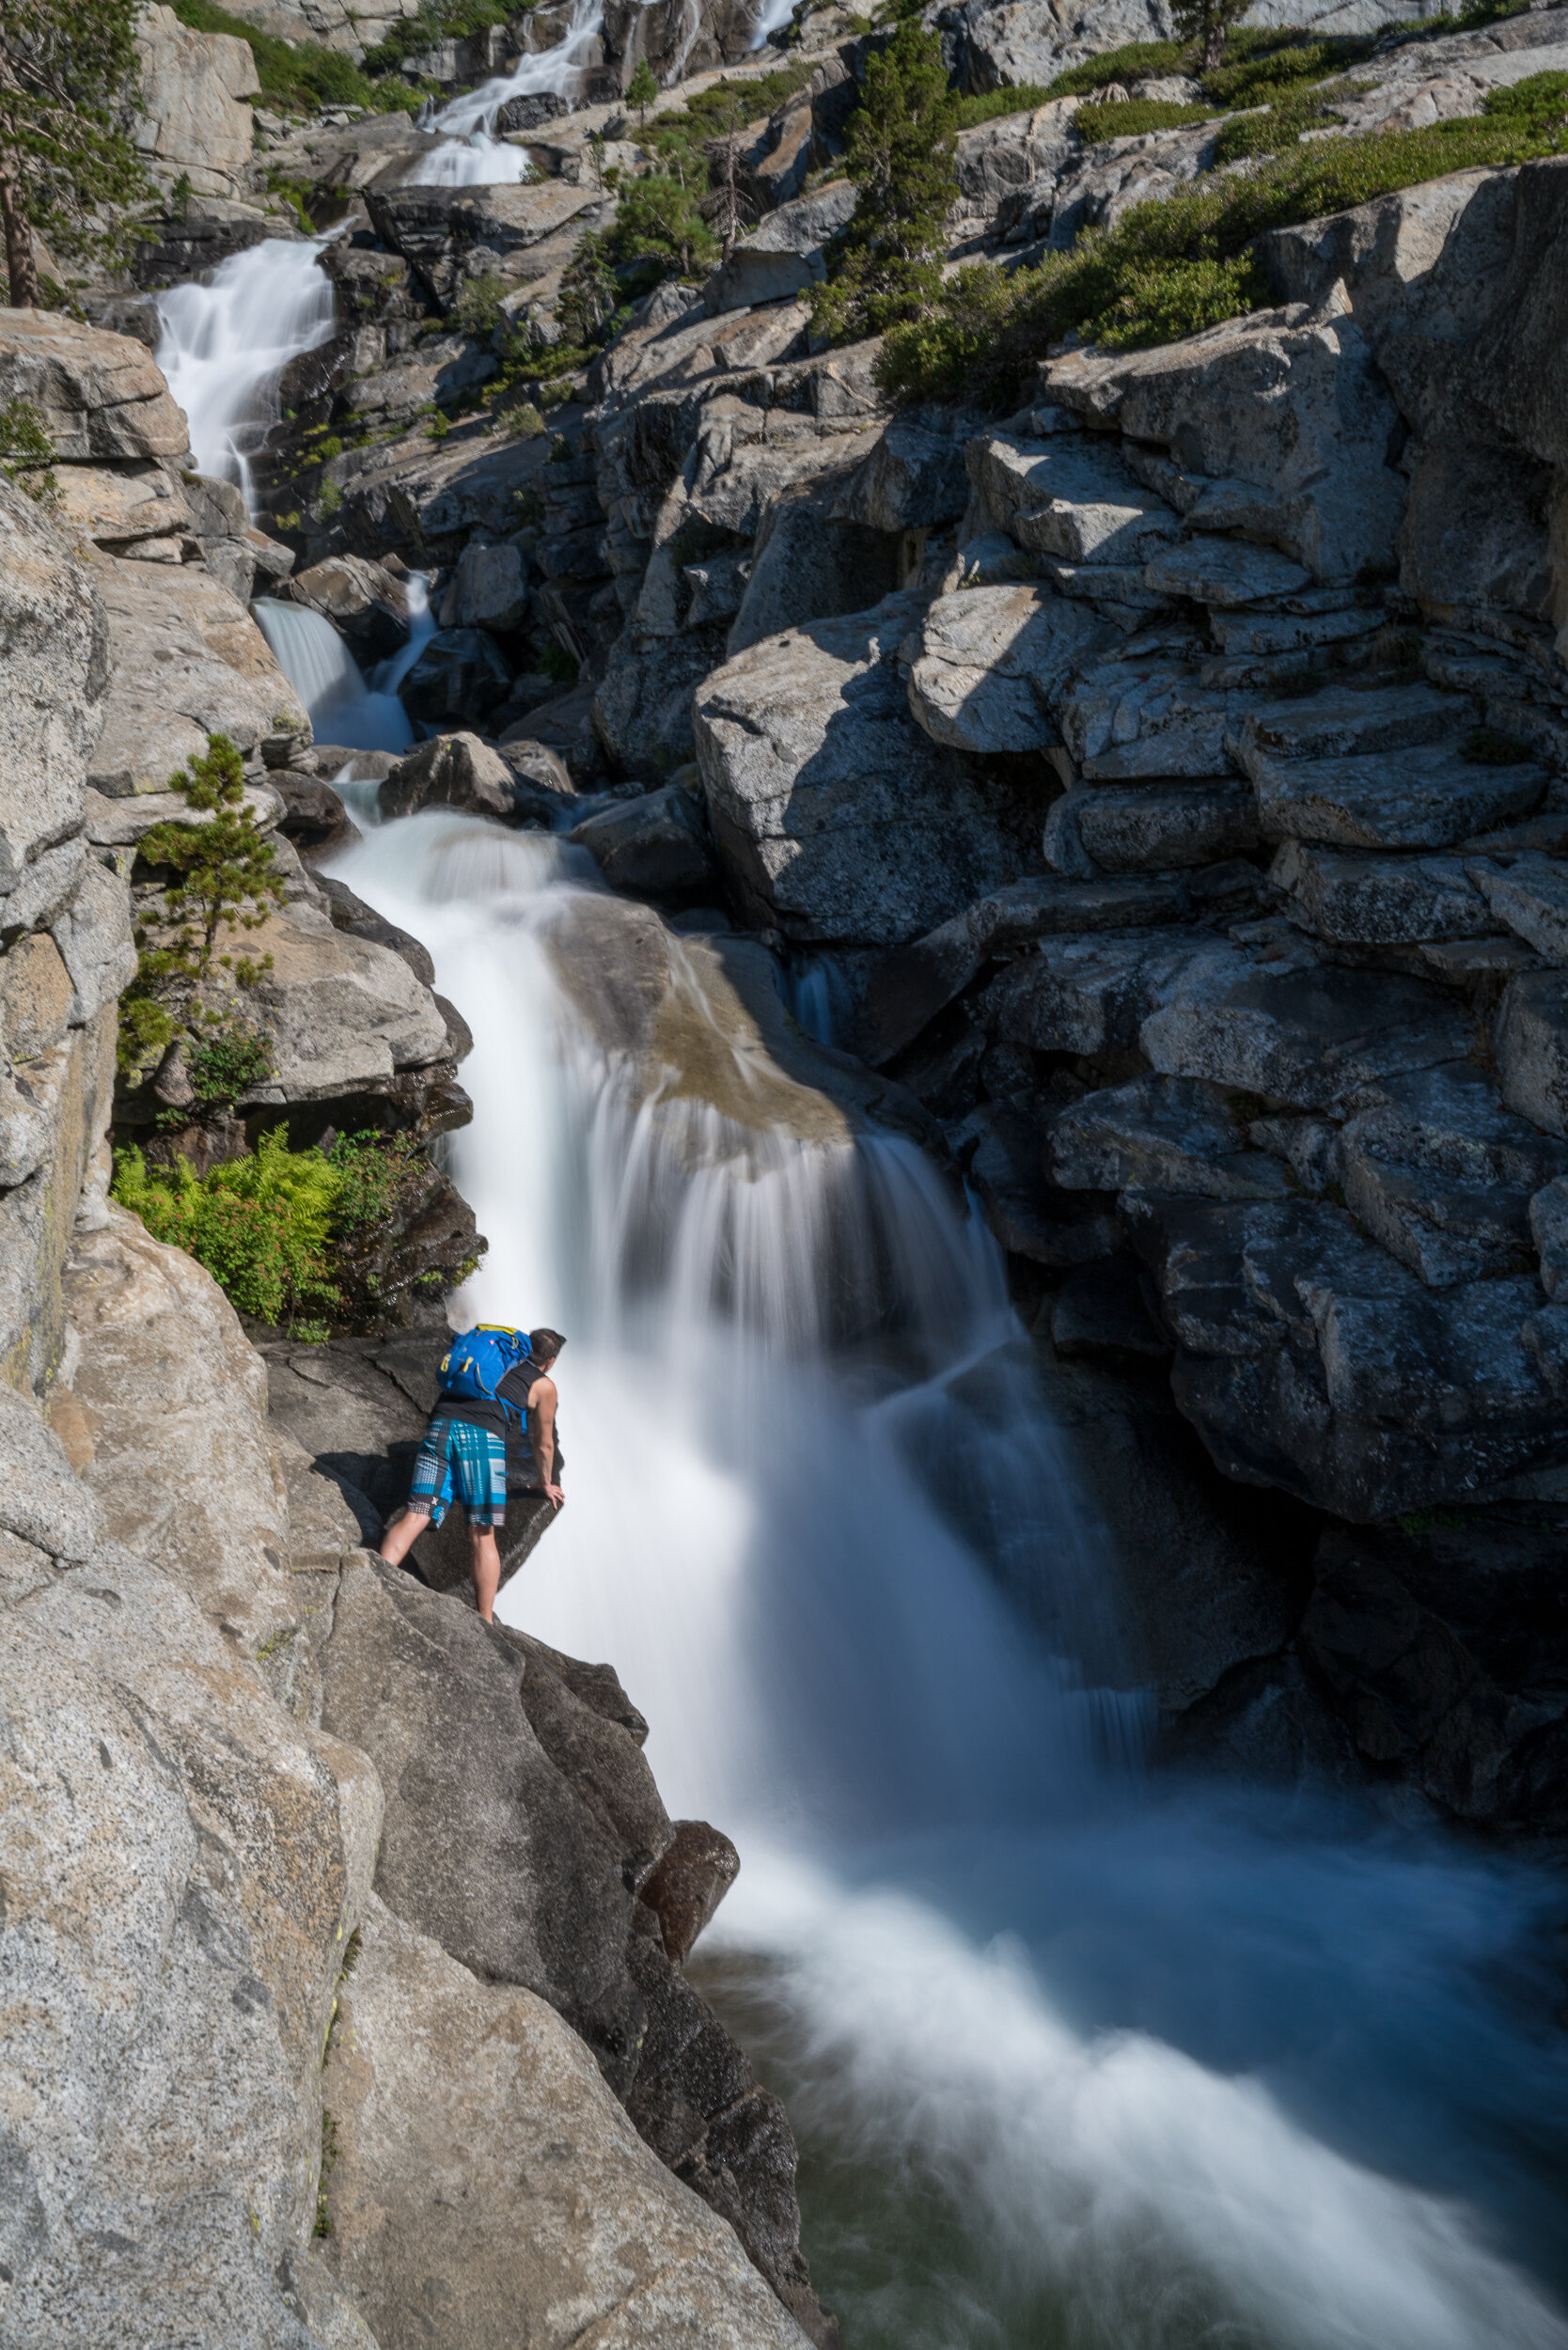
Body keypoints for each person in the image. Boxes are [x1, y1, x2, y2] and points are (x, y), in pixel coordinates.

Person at [378, 1324, 566, 1623]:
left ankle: (373, 1583)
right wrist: (545, 1483)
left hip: (440, 1427)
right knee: (482, 1534)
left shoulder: (494, 1359)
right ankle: (485, 1623)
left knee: (416, 1515)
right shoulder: (544, 1385)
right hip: (481, 1440)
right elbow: (543, 1442)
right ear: (550, 1362)